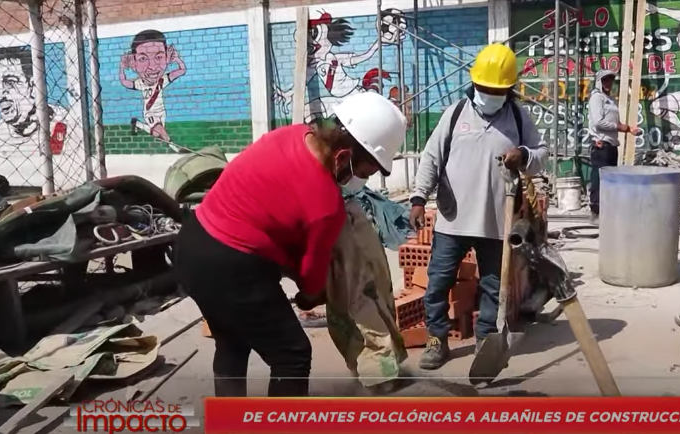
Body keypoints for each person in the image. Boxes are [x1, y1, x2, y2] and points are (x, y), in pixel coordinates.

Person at [174, 92, 406, 397]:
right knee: (293, 355)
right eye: (364, 173)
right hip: (232, 265)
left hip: (191, 245)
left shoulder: (292, 134)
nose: (362, 181)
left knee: (232, 340)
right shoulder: (326, 204)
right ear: (343, 156)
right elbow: (309, 279)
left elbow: (275, 209)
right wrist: (314, 296)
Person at [409, 43, 549, 370]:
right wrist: (418, 198)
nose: (489, 94)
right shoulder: (455, 113)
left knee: (492, 286)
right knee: (439, 282)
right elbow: (432, 158)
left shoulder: (517, 116)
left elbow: (541, 155)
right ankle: (437, 339)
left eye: (497, 90)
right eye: (485, 88)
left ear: (509, 89)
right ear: (474, 83)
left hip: (496, 222)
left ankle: (486, 340)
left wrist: (524, 156)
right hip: (452, 221)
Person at [587, 69, 639, 224]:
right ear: (599, 81)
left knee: (609, 180)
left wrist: (629, 129)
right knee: (599, 179)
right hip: (601, 144)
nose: (608, 83)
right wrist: (619, 127)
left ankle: (607, 211)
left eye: (610, 80)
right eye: (605, 80)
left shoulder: (609, 99)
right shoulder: (597, 98)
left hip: (611, 144)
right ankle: (595, 212)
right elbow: (598, 122)